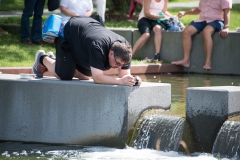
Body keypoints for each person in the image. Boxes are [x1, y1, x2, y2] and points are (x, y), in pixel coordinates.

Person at [32, 16, 142, 86]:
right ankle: (43, 58)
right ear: (111, 53)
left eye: (122, 64)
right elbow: (98, 78)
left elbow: (124, 74)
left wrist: (132, 80)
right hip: (68, 33)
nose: (119, 67)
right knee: (65, 75)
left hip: (83, 37)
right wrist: (119, 81)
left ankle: (59, 63)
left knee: (85, 76)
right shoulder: (98, 46)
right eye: (117, 63)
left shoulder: (125, 49)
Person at [171, 0, 232, 70]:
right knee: (187, 31)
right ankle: (186, 60)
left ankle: (208, 62)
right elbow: (199, 9)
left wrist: (226, 27)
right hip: (203, 21)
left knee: (206, 32)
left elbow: (226, 11)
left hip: (216, 21)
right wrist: (185, 12)